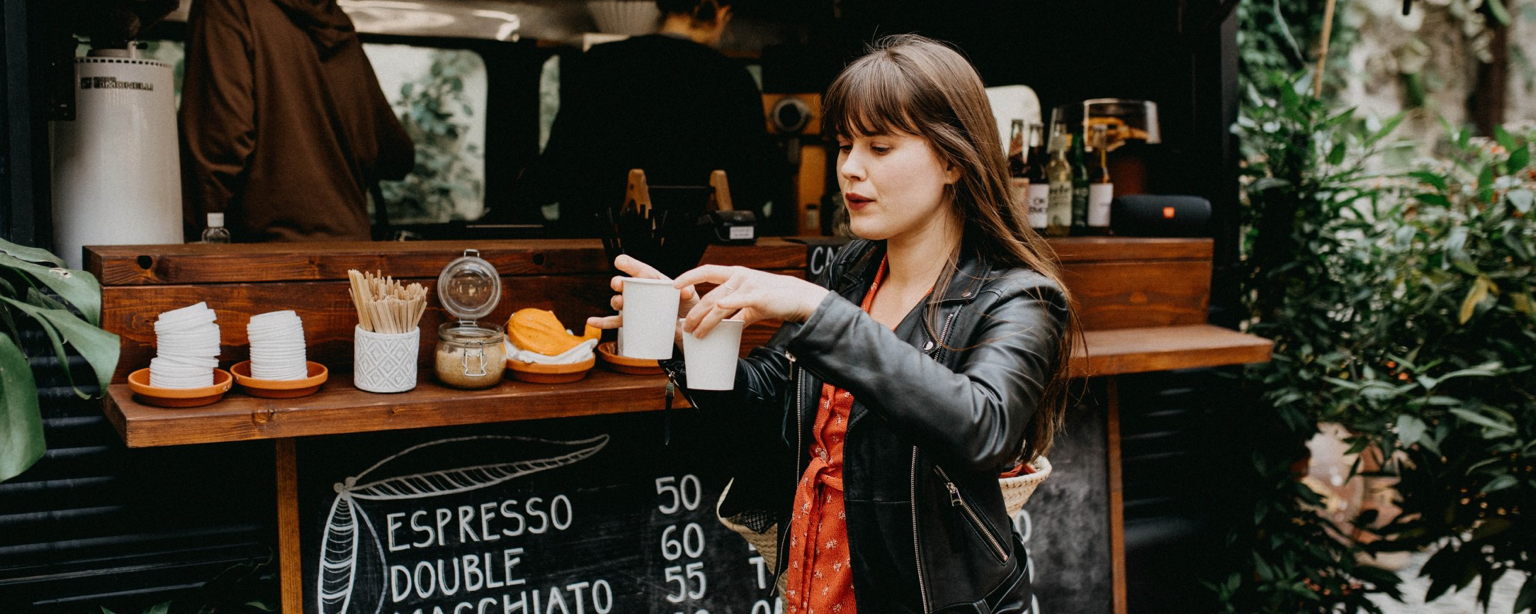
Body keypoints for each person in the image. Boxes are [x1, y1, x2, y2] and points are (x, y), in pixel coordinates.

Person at [589, 35, 1076, 613]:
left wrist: (816, 310)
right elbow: (767, 403)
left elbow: (982, 427)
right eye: (845, 145)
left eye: (880, 146)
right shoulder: (850, 272)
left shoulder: (1021, 298)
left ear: (953, 159)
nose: (850, 168)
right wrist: (687, 342)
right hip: (816, 586)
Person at [523, 0, 783, 235]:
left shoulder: (602, 63)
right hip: (700, 248)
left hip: (602, 245)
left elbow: (559, 165)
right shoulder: (734, 79)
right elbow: (757, 180)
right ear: (718, 11)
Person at [179, 0, 415, 242]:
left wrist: (185, 233)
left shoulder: (227, 7)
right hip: (354, 256)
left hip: (270, 259)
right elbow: (397, 154)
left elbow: (219, 140)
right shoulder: (338, 24)